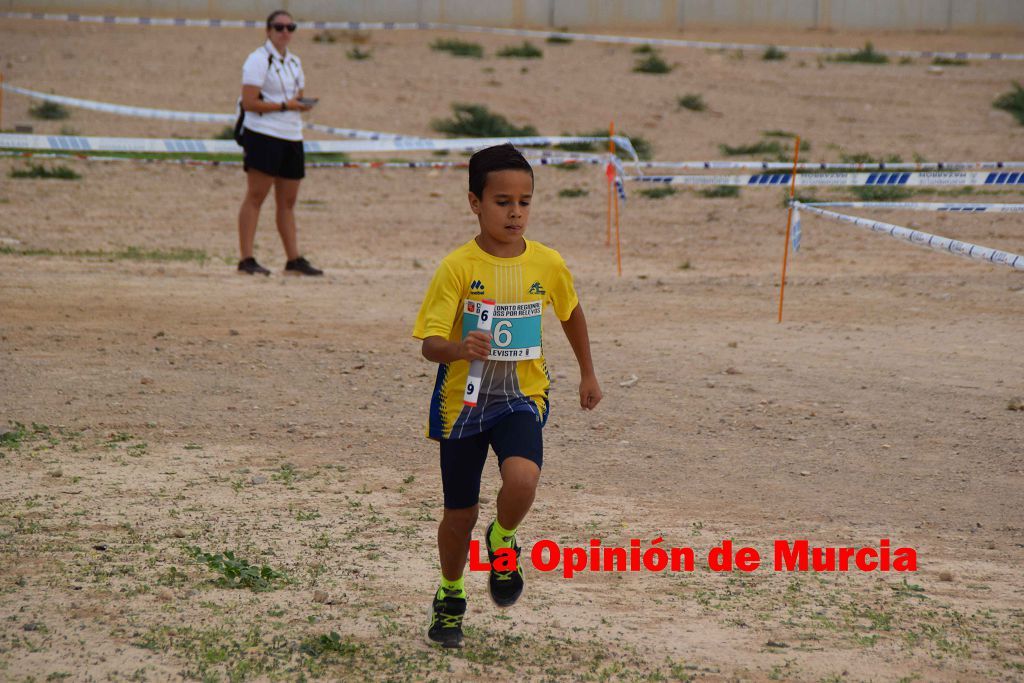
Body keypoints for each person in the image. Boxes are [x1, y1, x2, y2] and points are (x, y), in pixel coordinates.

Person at [412, 143, 603, 648]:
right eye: (502, 201)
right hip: (464, 404)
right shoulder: (457, 267)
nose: (515, 212)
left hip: (523, 396)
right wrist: (458, 345)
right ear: (475, 202)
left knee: (522, 481)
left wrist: (588, 372)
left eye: (524, 201)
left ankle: (503, 541)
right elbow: (430, 344)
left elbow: (570, 312)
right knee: (460, 513)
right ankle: (450, 594)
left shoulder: (546, 262)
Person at [236, 9, 322, 276]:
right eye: (279, 27)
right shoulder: (257, 60)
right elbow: (249, 102)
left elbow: (297, 96)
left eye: (290, 27)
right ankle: (246, 258)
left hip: (291, 135)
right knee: (256, 195)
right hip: (263, 134)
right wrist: (285, 105)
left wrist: (297, 106)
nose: (285, 32)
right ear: (268, 30)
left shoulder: (294, 62)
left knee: (288, 201)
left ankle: (293, 260)